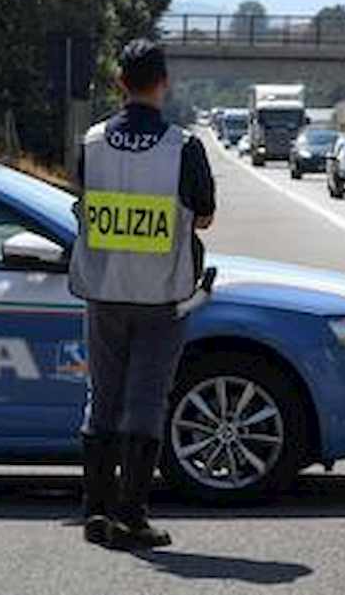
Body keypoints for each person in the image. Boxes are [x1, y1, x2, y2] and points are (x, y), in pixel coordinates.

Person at [68, 39, 215, 549]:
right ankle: (131, 516)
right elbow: (205, 216)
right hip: (161, 295)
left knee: (101, 397)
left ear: (119, 83)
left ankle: (95, 511)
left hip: (103, 288)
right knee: (146, 401)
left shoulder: (90, 142)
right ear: (164, 82)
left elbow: (82, 204)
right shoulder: (184, 147)